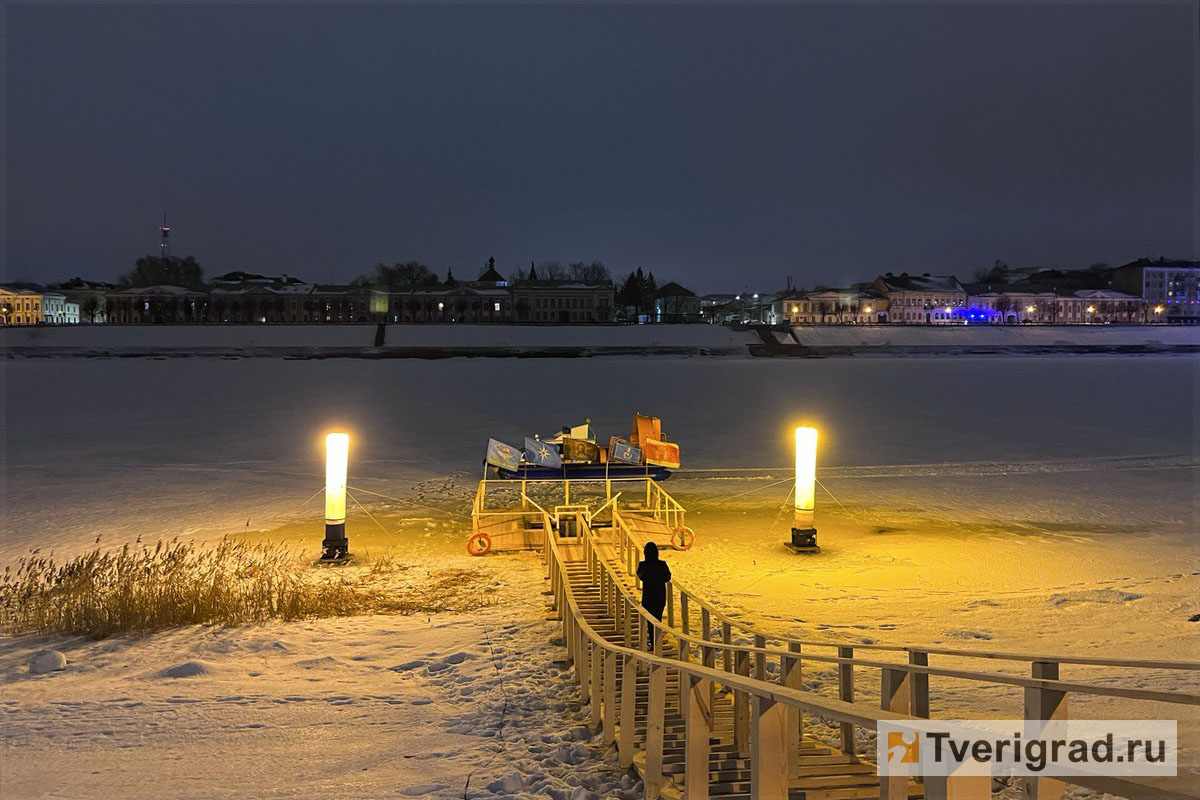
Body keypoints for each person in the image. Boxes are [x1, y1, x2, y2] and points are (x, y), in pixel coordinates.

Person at [636, 541, 671, 650]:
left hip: (648, 596)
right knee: (658, 619)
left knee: (650, 622)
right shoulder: (662, 564)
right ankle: (657, 641)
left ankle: (653, 642)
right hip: (660, 595)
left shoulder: (643, 565)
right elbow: (667, 577)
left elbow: (641, 576)